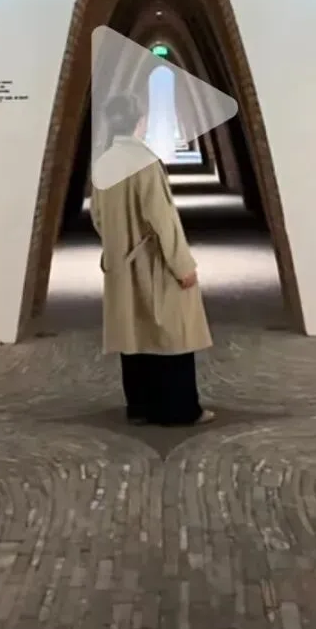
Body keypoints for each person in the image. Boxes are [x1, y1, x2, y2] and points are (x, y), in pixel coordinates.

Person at [89, 93, 214, 426]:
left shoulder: (104, 162)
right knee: (172, 333)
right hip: (152, 260)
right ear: (139, 121)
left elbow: (98, 216)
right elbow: (162, 219)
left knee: (132, 333)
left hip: (120, 262)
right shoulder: (144, 162)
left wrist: (117, 242)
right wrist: (182, 266)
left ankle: (140, 407)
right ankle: (179, 410)